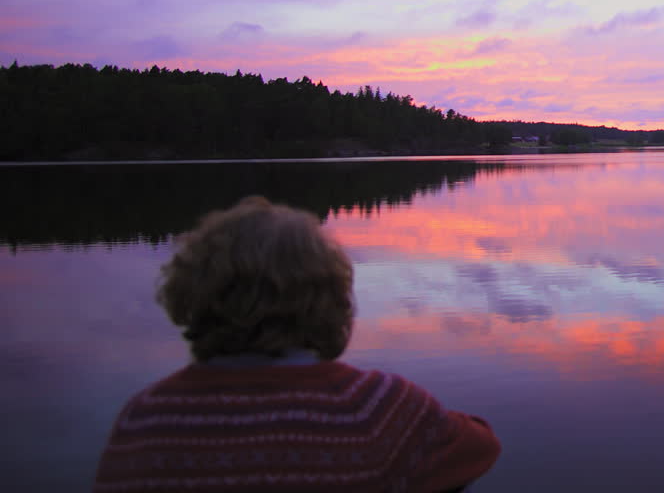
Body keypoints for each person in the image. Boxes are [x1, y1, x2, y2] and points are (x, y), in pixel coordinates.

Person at [94, 196, 500, 492]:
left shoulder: (144, 420)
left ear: (190, 293)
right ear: (330, 294)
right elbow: (480, 448)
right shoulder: (376, 408)